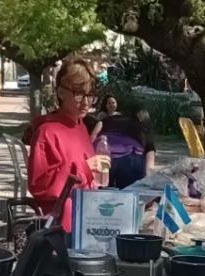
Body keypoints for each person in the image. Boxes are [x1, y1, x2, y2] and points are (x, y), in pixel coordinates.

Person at [26, 58, 109, 233]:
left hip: (87, 216)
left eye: (89, 95)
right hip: (61, 226)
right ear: (61, 93)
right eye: (79, 94)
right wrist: (85, 169)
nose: (86, 102)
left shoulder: (80, 126)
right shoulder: (47, 132)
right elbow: (40, 186)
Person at [98, 106, 156, 189]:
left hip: (104, 156)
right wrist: (149, 181)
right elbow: (150, 154)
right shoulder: (143, 126)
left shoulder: (109, 119)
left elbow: (94, 135)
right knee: (129, 194)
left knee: (101, 193)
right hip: (130, 157)